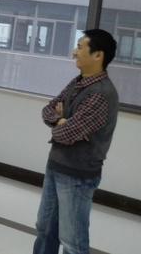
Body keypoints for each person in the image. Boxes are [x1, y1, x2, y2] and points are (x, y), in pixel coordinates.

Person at [34, 29, 119, 254]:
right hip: (56, 165)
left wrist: (61, 123)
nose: (74, 52)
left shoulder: (101, 93)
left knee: (72, 241)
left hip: (77, 175)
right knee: (45, 229)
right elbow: (48, 110)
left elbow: (66, 134)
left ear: (98, 55)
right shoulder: (78, 82)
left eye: (80, 47)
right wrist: (60, 120)